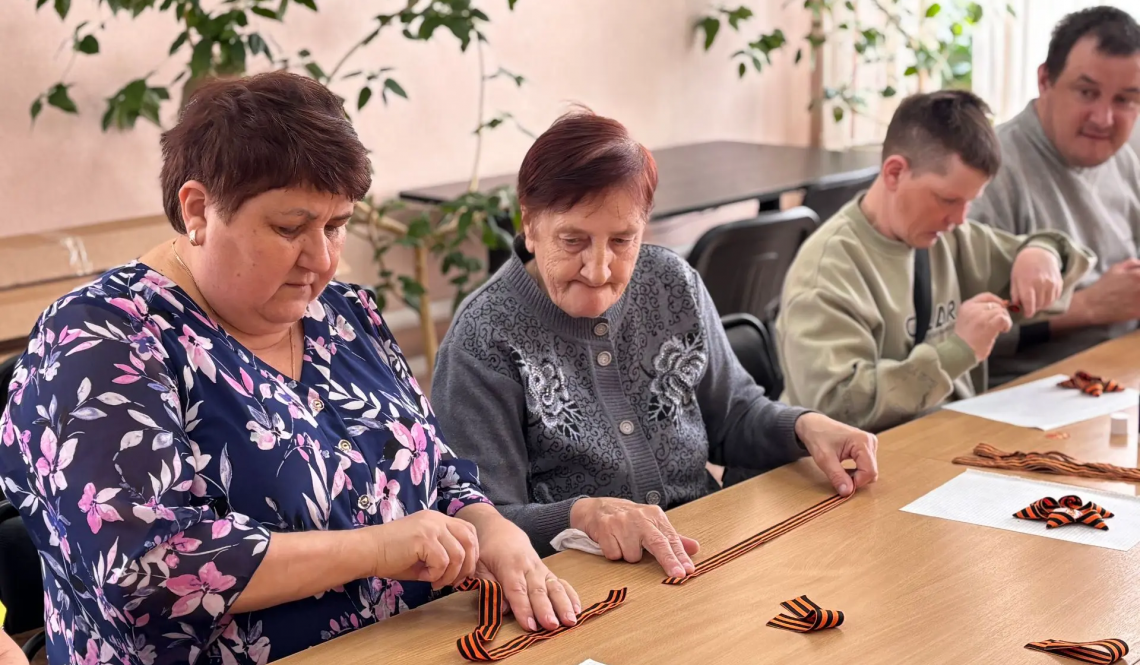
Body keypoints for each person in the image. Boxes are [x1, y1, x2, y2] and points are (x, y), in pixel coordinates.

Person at [0, 72, 579, 665]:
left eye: (336, 225)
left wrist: (490, 528)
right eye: (289, 228)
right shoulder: (100, 340)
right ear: (197, 209)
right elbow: (145, 572)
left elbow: (438, 475)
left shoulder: (345, 316)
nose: (322, 258)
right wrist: (375, 549)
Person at [431, 109, 879, 579]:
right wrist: (580, 515)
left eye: (623, 240)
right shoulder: (484, 336)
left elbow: (734, 416)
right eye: (573, 240)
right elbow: (482, 519)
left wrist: (807, 426)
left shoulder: (672, 282)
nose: (599, 268)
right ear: (529, 222)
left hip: (702, 549)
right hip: (581, 583)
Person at [776, 90, 1094, 433]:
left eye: (970, 202)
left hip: (942, 443)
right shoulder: (828, 272)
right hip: (855, 471)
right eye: (947, 199)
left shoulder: (949, 237)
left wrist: (1041, 251)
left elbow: (1064, 266)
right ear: (895, 173)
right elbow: (837, 410)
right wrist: (958, 351)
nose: (958, 219)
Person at [970, 6, 1140, 387]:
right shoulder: (987, 171)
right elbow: (948, 335)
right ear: (1045, 79)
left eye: (1126, 100)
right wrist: (1089, 306)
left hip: (1122, 374)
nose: (1104, 118)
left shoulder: (1129, 152)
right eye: (1086, 92)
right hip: (1027, 394)